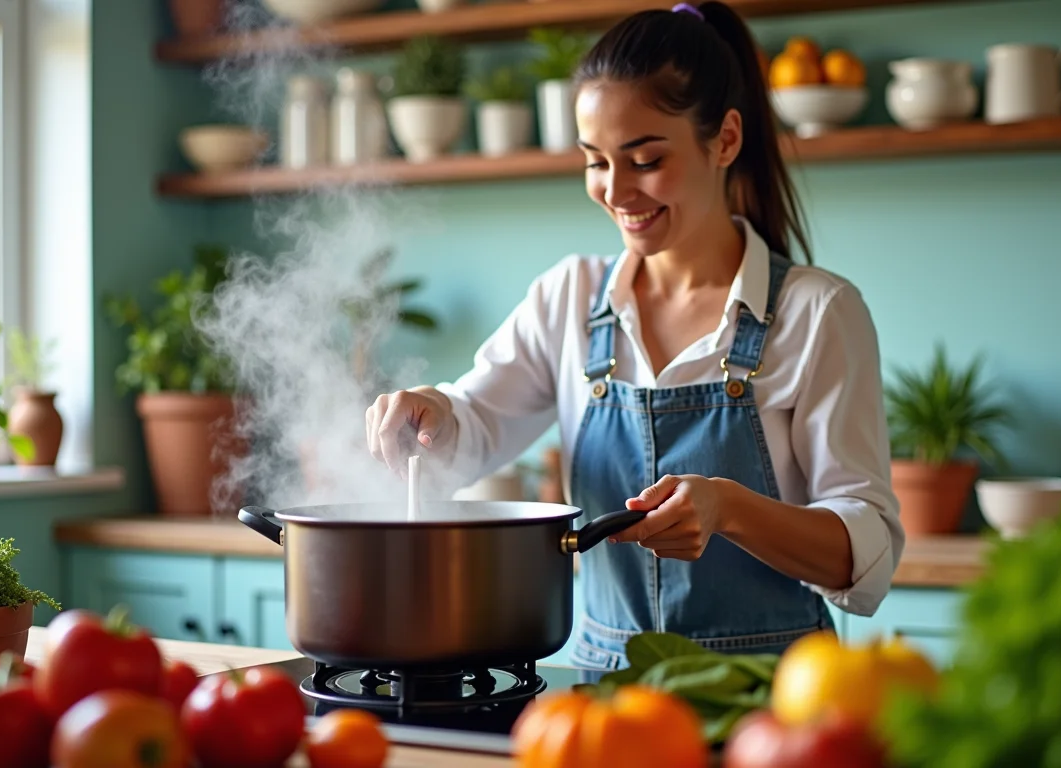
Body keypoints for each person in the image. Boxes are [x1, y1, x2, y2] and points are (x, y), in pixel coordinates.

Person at [366, 1, 903, 670]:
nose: (616, 191)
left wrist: (730, 509)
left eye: (645, 159)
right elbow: (469, 430)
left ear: (726, 140)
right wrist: (433, 412)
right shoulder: (568, 298)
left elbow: (868, 551)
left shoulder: (818, 313)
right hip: (608, 703)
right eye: (595, 161)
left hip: (770, 705)